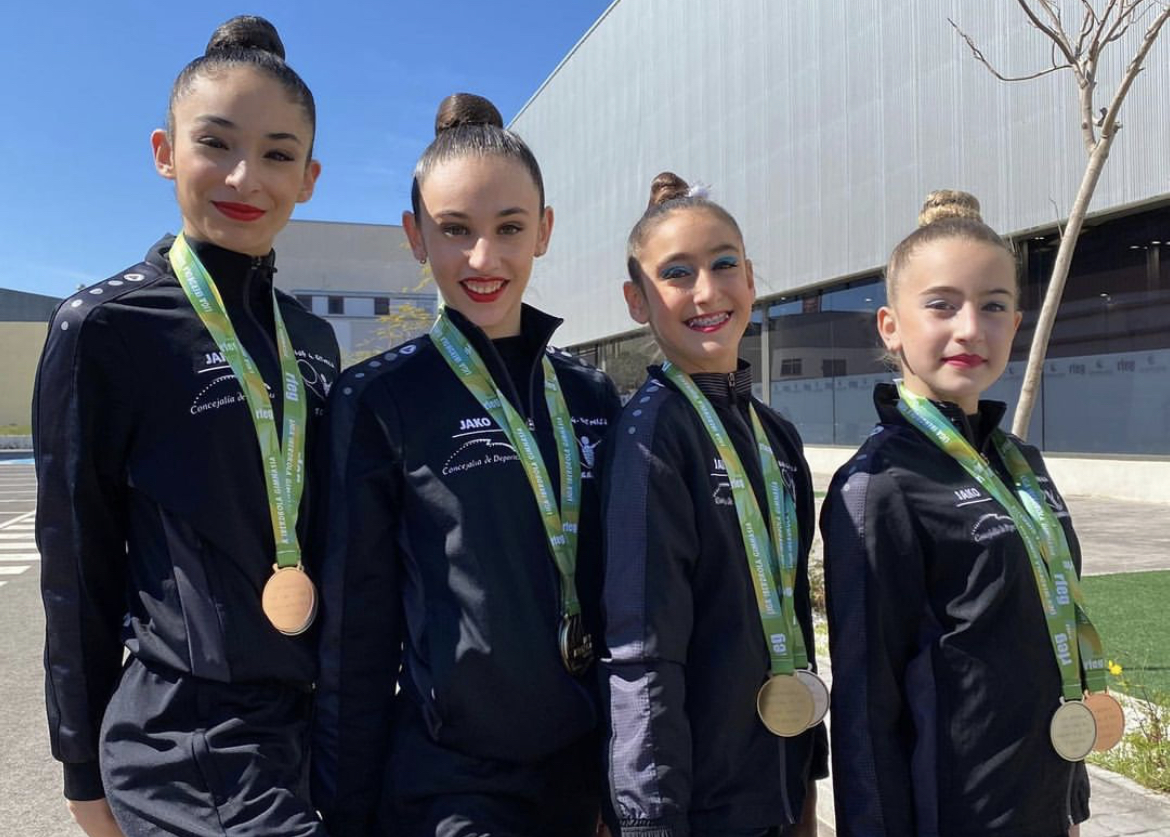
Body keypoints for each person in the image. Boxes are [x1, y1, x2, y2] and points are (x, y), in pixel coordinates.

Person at [33, 16, 336, 837]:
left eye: (277, 154)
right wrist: (80, 767)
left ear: (309, 177)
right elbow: (77, 563)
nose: (245, 177)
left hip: (311, 726)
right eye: (216, 144)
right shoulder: (107, 326)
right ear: (166, 152)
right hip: (187, 737)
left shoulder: (313, 340)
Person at [311, 92, 621, 837]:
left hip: (586, 771)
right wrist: (346, 810)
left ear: (544, 230)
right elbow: (355, 635)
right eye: (455, 230)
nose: (483, 258)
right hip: (453, 784)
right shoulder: (379, 398)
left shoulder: (592, 393)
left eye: (509, 227)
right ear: (415, 236)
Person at [820, 191, 1120, 836]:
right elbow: (866, 706)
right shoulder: (880, 486)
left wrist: (1069, 802)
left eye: (993, 306)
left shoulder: (1022, 465)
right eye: (941, 305)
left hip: (1042, 802)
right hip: (955, 816)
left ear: (1016, 323)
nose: (970, 329)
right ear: (890, 325)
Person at [598, 172, 828, 837]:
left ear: (750, 279)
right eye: (676, 273)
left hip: (776, 789)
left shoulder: (776, 435)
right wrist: (650, 820)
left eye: (724, 264)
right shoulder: (649, 437)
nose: (706, 291)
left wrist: (805, 784)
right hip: (695, 807)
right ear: (637, 300)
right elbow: (642, 654)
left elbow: (792, 617)